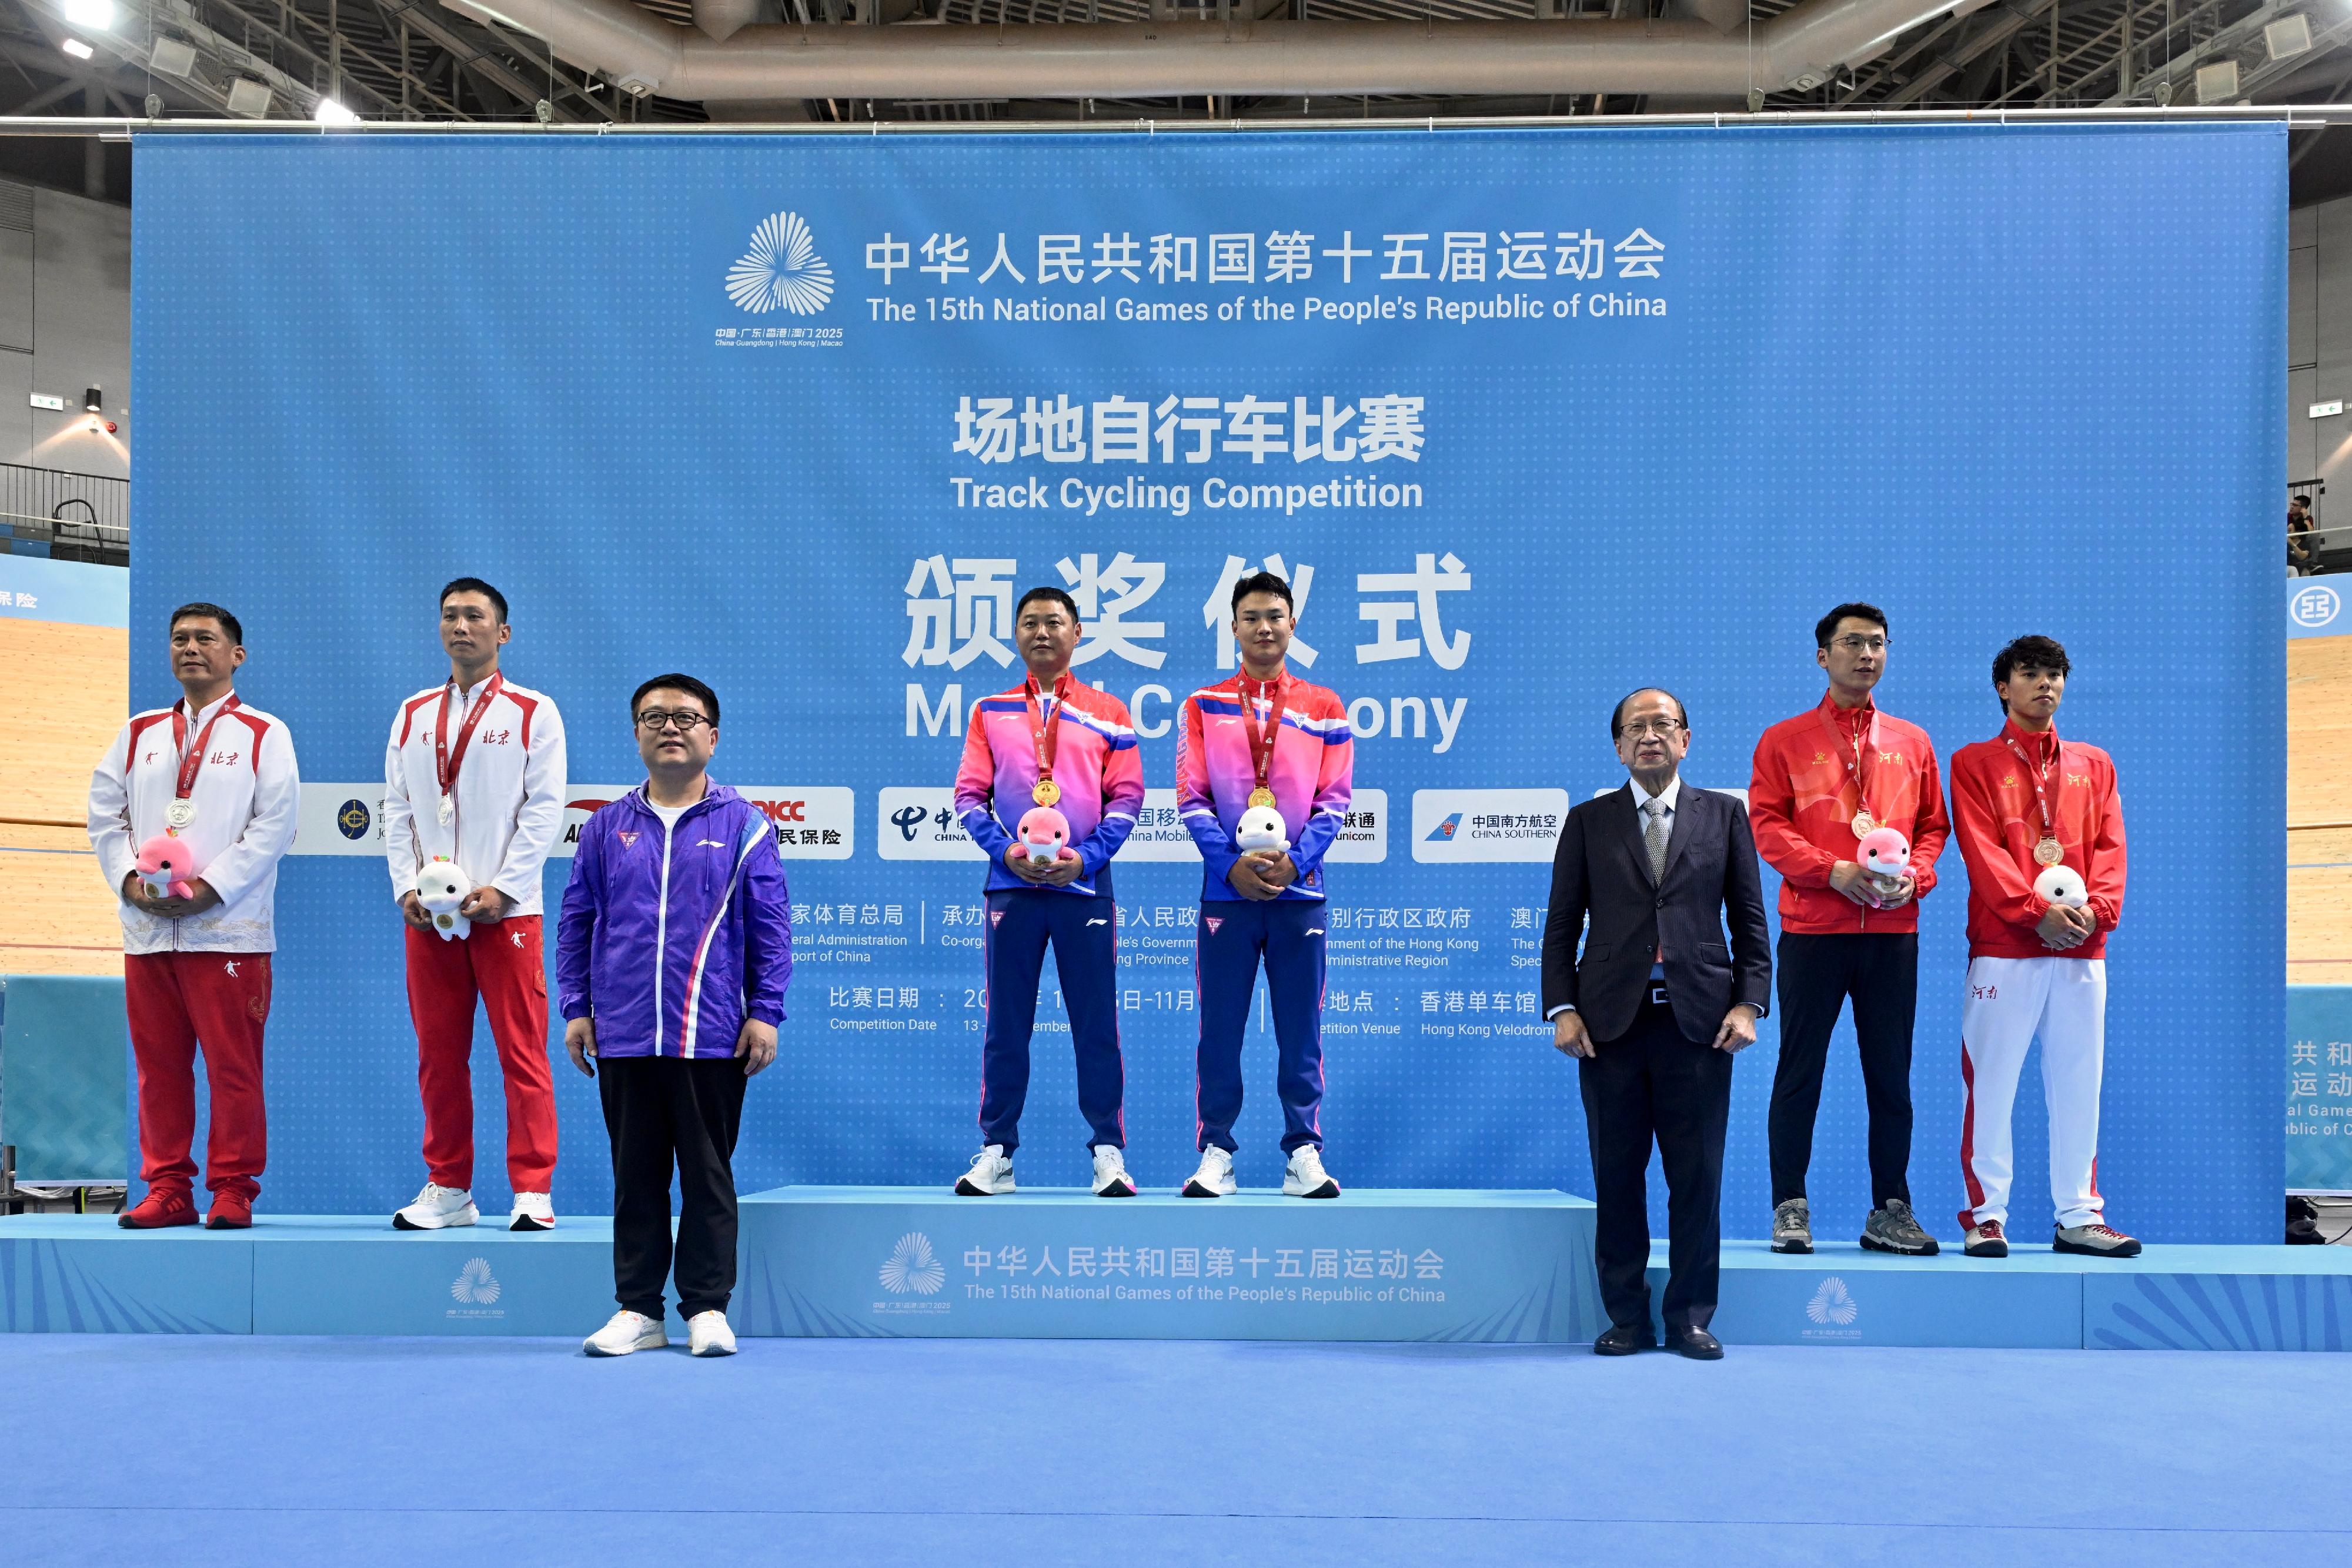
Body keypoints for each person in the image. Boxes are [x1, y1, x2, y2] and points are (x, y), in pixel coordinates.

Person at [557, 674, 791, 1356]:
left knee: (707, 1175)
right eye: (653, 717)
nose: (670, 727)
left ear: (711, 737)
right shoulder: (606, 827)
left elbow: (770, 928)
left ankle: (707, 1309)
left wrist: (765, 1011)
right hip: (625, 1032)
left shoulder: (745, 826)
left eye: (686, 718)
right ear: (635, 734)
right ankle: (639, 1310)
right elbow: (577, 921)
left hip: (712, 1032)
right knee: (636, 1179)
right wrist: (578, 1007)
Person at [1542, 689, 1770, 1359]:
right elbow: (1561, 926)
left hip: (1701, 1024)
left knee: (1696, 1178)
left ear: (1686, 739)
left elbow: (1751, 922)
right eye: (1635, 727)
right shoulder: (1588, 821)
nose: (1649, 736)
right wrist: (1562, 1008)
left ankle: (1690, 1317)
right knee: (1617, 1178)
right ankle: (1626, 1318)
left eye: (1661, 725)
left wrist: (1748, 1003)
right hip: (1608, 1026)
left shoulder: (1724, 816)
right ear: (1617, 745)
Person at [88, 603, 300, 1230]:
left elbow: (276, 824)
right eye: (179, 638)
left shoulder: (265, 733)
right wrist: (128, 880)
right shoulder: (139, 733)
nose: (190, 648)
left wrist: (214, 886)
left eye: (206, 638)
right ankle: (168, 1188)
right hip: (150, 931)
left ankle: (233, 1188)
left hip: (228, 931)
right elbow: (105, 814)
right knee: (159, 1072)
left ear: (237, 654)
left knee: (233, 1069)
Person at [1748, 603, 1947, 1256]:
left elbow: (1932, 828)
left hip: (1892, 933)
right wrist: (1828, 871)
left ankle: (1890, 1208)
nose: (1867, 654)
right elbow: (1767, 825)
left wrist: (1915, 877)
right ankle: (1789, 1206)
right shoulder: (1784, 740)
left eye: (1878, 644)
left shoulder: (1913, 742)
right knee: (1798, 1071)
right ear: (1822, 656)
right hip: (1814, 930)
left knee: (1891, 1075)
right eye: (1852, 643)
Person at [382, 577, 569, 1232]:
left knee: (522, 1052)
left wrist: (507, 888)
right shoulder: (411, 713)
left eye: (475, 617)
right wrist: (407, 885)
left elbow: (545, 809)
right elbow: (397, 807)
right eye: (450, 616)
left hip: (506, 914)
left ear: (502, 633)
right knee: (438, 1055)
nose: (461, 626)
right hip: (431, 917)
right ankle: (449, 1187)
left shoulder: (532, 712)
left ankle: (533, 1188)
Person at [950, 586, 1146, 1198]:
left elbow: (1128, 797)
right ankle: (996, 1152)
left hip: (1084, 889)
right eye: (1030, 623)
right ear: (1015, 635)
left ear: (1078, 632)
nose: (1042, 633)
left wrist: (1083, 860)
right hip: (1012, 889)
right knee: (1006, 1026)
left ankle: (1108, 1153)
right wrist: (1006, 851)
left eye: (1054, 623)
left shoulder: (1109, 711)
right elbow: (966, 796)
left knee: (1095, 1025)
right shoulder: (990, 710)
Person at [1949, 636, 2139, 1258]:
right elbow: (1982, 852)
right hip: (2005, 948)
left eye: (2054, 674)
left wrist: (2095, 913)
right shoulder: (1972, 762)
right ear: (2004, 686)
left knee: (2080, 1082)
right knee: (1993, 1084)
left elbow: (2111, 848)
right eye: (2029, 673)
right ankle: (1985, 1216)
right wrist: (2035, 914)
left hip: (2082, 952)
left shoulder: (2094, 764)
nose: (2044, 684)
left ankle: (2078, 1216)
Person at [1175, 570, 1353, 1199]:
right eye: (1250, 616)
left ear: (1292, 624)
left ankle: (1302, 1149)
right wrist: (1230, 867)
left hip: (1298, 894)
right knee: (1219, 1029)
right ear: (1233, 627)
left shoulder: (1324, 706)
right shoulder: (1203, 704)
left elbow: (1335, 801)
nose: (1264, 627)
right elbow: (1191, 798)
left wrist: (1294, 864)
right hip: (1226, 896)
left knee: (1299, 1029)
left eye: (1275, 615)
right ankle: (1215, 1152)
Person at [2288, 496, 2316, 576]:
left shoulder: (2308, 518)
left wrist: (2305, 518)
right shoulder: (2287, 517)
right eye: (2291, 504)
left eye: (2295, 505)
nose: (2292, 507)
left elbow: (2311, 532)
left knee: (2314, 536)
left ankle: (2312, 564)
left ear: (2302, 508)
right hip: (2288, 543)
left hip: (2302, 542)